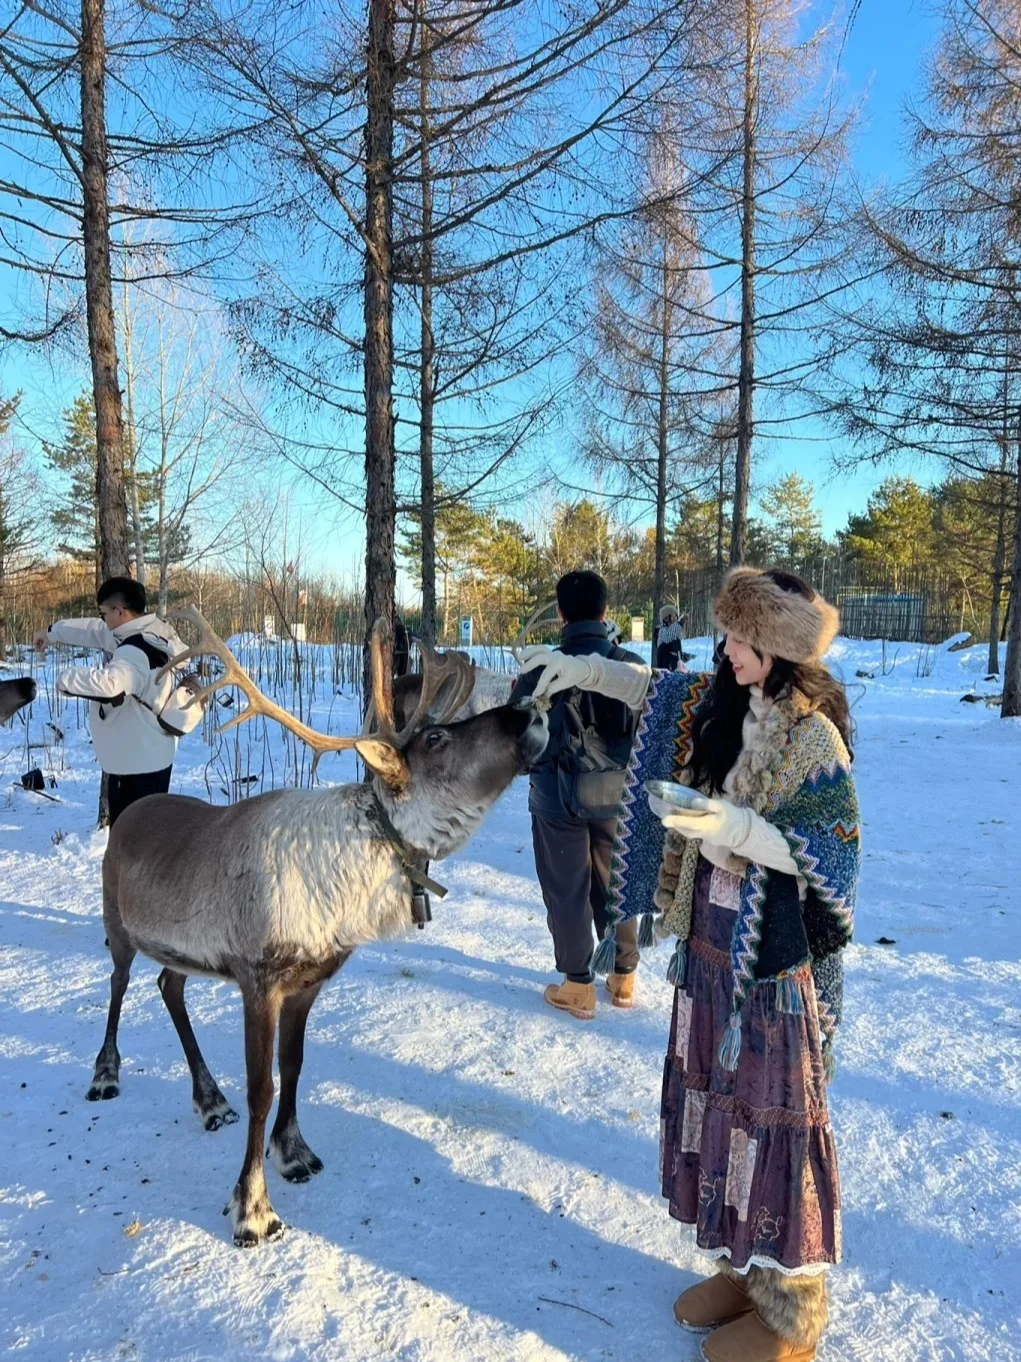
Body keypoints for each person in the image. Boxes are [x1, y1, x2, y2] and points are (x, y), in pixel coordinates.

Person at [515, 568, 859, 1362]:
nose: (726, 650)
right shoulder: (728, 706)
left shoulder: (815, 738)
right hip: (709, 951)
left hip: (771, 970)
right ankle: (742, 1268)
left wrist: (735, 825)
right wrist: (588, 670)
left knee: (773, 1119)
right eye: (727, 634)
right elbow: (655, 691)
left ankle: (792, 1313)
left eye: (740, 639)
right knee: (719, 1109)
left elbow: (830, 863)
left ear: (778, 646)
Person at [510, 570, 644, 1020]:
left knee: (566, 888)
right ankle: (623, 976)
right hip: (618, 794)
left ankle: (577, 985)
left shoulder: (539, 667)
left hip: (556, 796)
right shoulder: (629, 666)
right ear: (605, 612)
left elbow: (517, 731)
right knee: (614, 882)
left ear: (561, 613)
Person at [34, 577, 187, 825]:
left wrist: (67, 678)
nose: (103, 619)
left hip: (135, 770)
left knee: (132, 843)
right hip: (153, 755)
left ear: (120, 611)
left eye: (104, 613)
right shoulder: (153, 633)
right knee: (151, 836)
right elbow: (93, 630)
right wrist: (51, 633)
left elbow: (112, 685)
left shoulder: (135, 651)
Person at [656, 605, 686, 671]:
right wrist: (680, 624)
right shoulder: (662, 630)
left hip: (674, 668)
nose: (676, 618)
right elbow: (668, 637)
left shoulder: (674, 634)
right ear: (666, 618)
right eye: (674, 616)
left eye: (676, 616)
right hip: (665, 670)